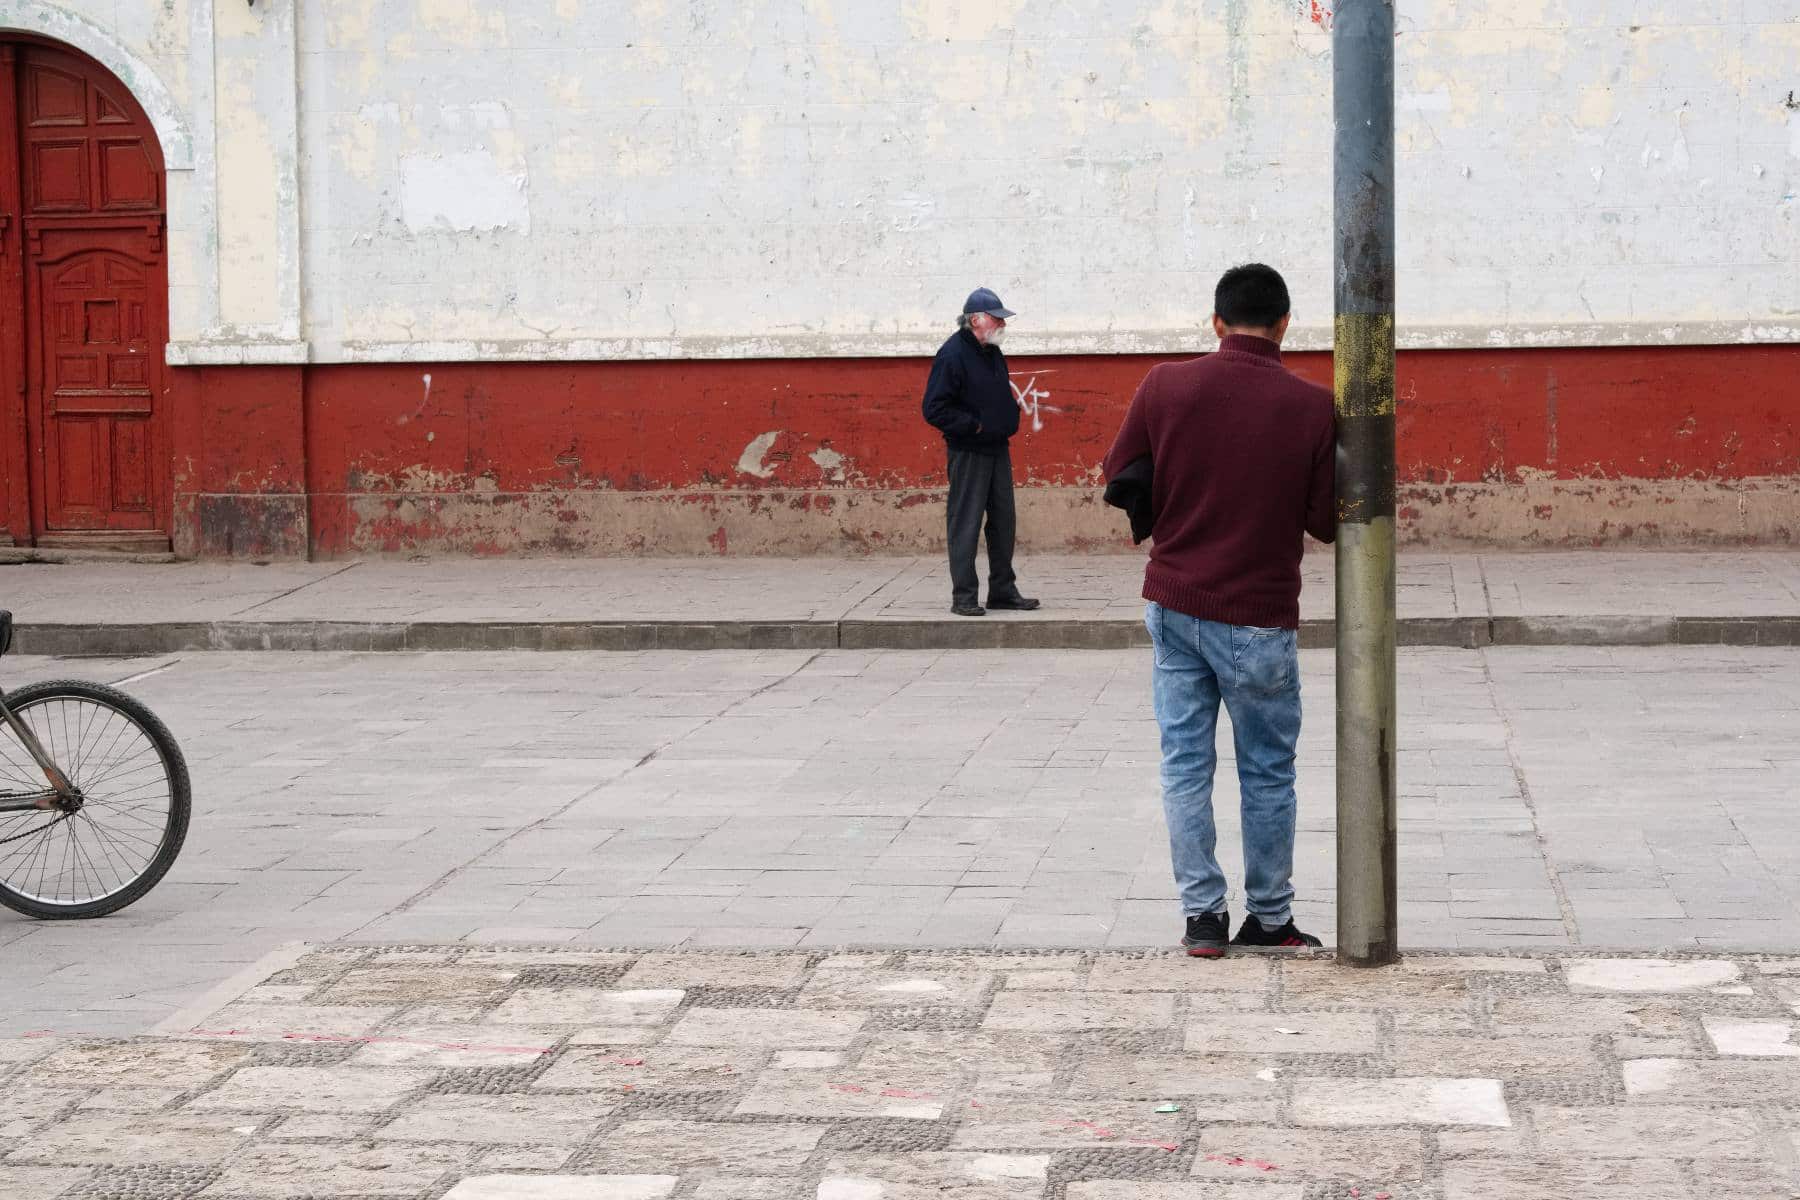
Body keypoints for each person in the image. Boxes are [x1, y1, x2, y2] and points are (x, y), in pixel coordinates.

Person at [1102, 264, 1336, 957]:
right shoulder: (1314, 407)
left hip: (1173, 602)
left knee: (1184, 763)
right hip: (1260, 615)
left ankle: (1202, 917)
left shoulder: (1163, 385)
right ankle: (1268, 918)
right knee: (1266, 771)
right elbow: (1326, 520)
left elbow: (1122, 474)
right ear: (1286, 324)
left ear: (1215, 323)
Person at [921, 287, 1039, 617]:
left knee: (1004, 522)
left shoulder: (991, 352)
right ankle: (964, 596)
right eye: (996, 318)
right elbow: (933, 408)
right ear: (975, 320)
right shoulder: (952, 355)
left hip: (997, 449)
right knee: (966, 524)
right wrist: (973, 426)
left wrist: (1007, 415)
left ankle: (1002, 590)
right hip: (969, 452)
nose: (1002, 325)